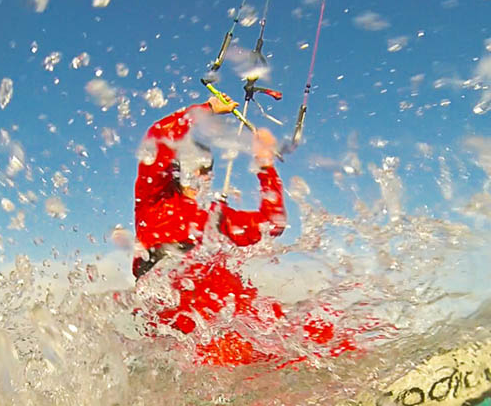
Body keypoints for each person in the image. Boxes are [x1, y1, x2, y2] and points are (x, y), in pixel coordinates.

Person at [132, 95, 359, 367]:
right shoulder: (155, 201)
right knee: (231, 349)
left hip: (220, 298)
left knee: (297, 327)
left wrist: (265, 167)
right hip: (174, 293)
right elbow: (158, 138)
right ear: (177, 170)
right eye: (194, 168)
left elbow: (272, 223)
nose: (202, 176)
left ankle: (360, 369)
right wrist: (206, 110)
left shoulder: (216, 217)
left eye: (206, 169)